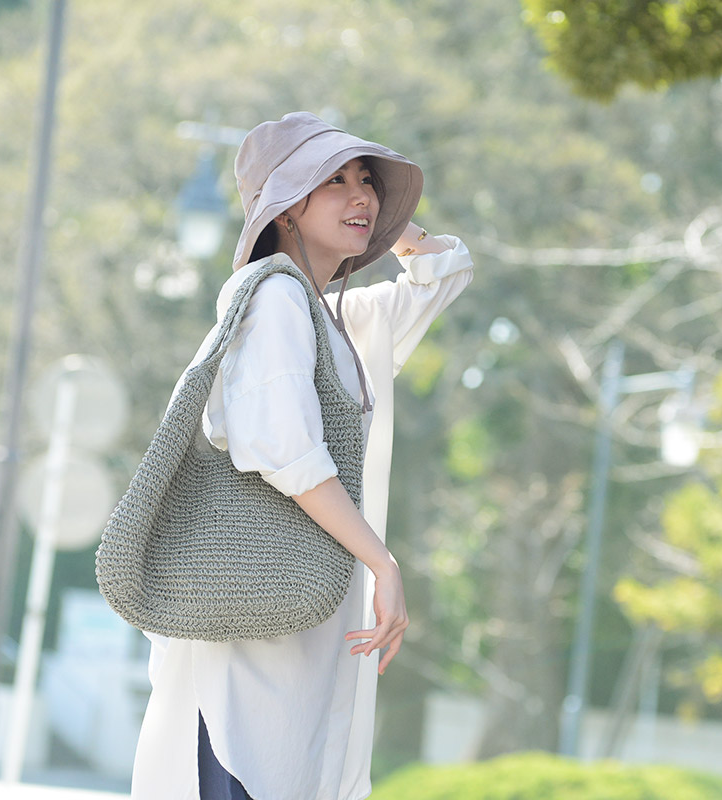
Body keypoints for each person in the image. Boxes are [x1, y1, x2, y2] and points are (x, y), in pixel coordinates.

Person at [130, 112, 473, 800]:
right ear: (286, 207)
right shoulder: (276, 298)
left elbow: (443, 270)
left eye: (367, 181)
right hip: (249, 649)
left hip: (296, 637)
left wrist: (381, 225)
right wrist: (381, 560)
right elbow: (282, 449)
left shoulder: (339, 318)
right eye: (333, 181)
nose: (362, 197)